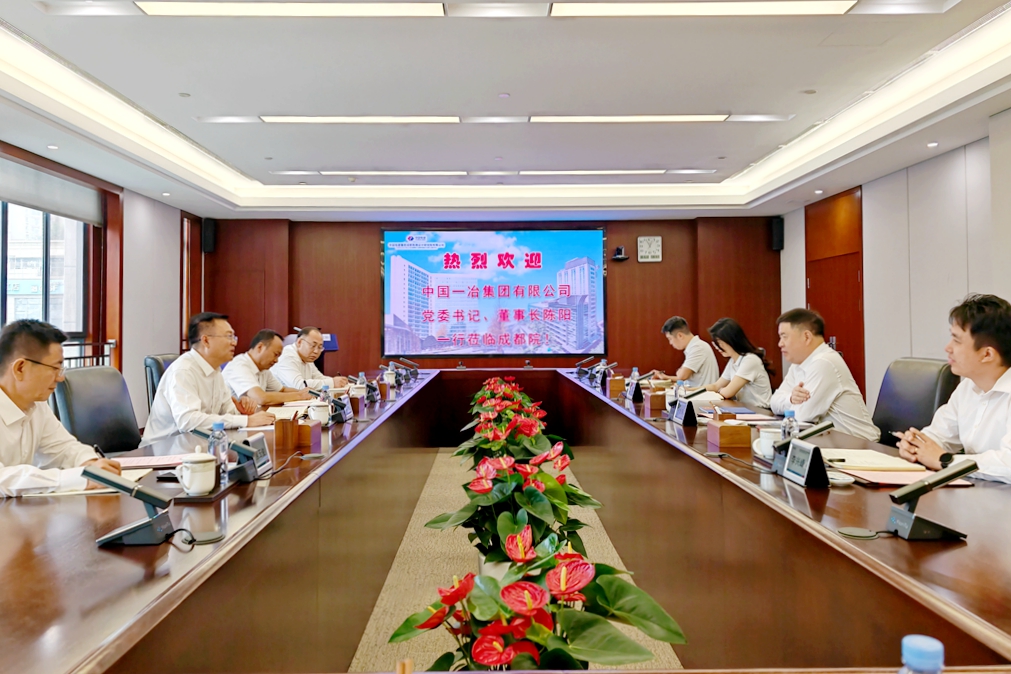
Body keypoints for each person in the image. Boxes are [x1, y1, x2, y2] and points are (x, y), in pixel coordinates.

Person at [896, 294, 1011, 483]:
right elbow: (940, 436)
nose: (948, 348)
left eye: (957, 341)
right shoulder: (968, 386)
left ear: (987, 354)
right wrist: (916, 445)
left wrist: (945, 461)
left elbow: (1008, 464)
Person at [0, 319, 121, 497]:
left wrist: (91, 464)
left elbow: (64, 448)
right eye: (55, 368)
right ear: (20, 368)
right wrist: (82, 477)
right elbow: (3, 479)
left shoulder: (37, 405)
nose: (61, 377)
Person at [142, 312, 274, 446]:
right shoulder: (184, 370)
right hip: (164, 449)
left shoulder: (215, 370)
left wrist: (242, 412)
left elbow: (227, 412)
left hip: (198, 445)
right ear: (206, 341)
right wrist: (245, 421)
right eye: (229, 336)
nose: (234, 342)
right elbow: (188, 421)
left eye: (234, 337)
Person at [770, 308, 880, 442]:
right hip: (832, 441)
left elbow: (801, 416)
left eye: (784, 337)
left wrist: (790, 406)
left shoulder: (824, 362)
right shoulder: (798, 364)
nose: (780, 344)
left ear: (806, 337)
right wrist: (791, 399)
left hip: (859, 444)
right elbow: (774, 403)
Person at [223, 329, 314, 406]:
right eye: (275, 354)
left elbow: (282, 390)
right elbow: (261, 398)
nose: (276, 361)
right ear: (260, 347)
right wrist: (299, 395)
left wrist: (305, 393)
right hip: (231, 419)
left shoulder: (263, 369)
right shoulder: (239, 365)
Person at [703, 317, 774, 408]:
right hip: (745, 409)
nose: (717, 347)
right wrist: (691, 391)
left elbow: (728, 392)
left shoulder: (750, 360)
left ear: (732, 340)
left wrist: (719, 391)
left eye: (720, 343)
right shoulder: (733, 361)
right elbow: (716, 386)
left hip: (760, 410)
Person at [271, 326, 349, 391]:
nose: (316, 351)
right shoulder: (287, 356)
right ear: (299, 342)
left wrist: (338, 382)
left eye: (320, 347)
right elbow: (299, 386)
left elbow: (319, 378)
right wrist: (332, 382)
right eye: (313, 346)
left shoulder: (307, 358)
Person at [651, 316, 719, 388]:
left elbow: (682, 376)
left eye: (670, 339)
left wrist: (674, 374)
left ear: (680, 336)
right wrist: (665, 377)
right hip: (694, 391)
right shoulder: (694, 347)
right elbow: (681, 376)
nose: (670, 343)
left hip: (702, 394)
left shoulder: (698, 347)